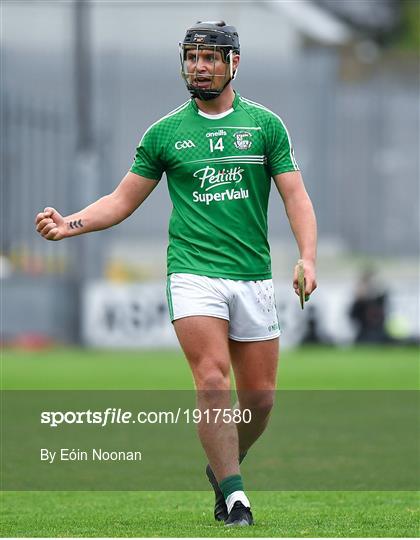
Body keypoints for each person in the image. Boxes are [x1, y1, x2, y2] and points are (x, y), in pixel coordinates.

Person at [35, 21, 317, 527]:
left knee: (260, 400)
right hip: (192, 273)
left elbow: (295, 196)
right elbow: (121, 202)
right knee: (212, 379)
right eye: (192, 57)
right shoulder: (164, 133)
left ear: (234, 63)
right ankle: (235, 499)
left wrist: (308, 257)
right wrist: (68, 224)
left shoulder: (265, 126)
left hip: (252, 275)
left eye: (211, 57)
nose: (200, 66)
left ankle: (224, 464)